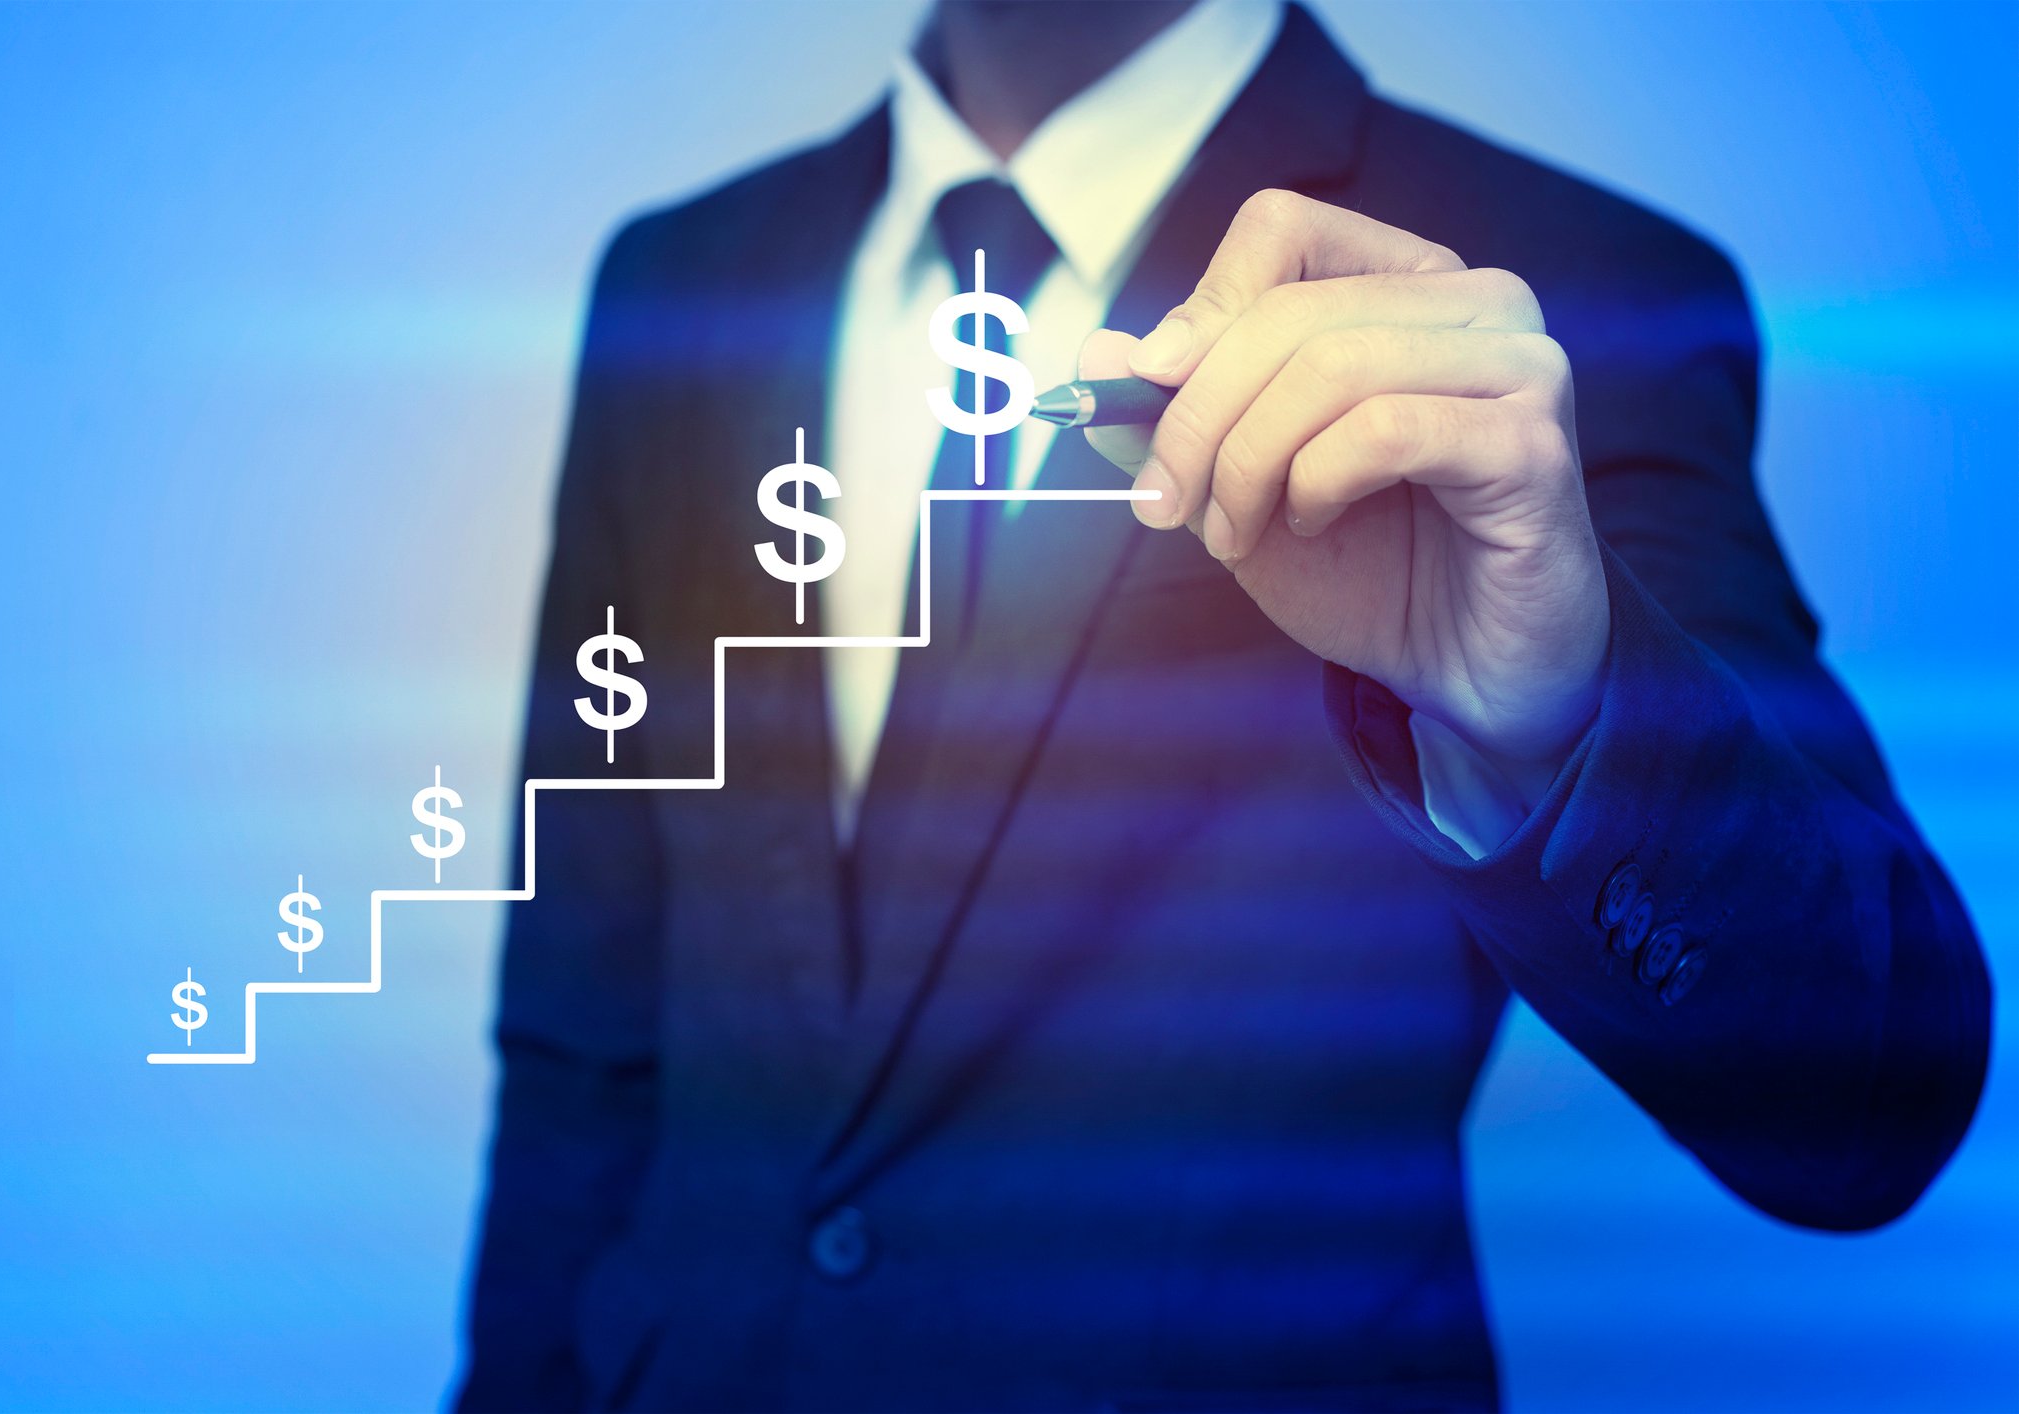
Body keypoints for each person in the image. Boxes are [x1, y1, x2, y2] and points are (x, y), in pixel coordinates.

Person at [458, 3, 1990, 1409]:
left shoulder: (1565, 293)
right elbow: (584, 1020)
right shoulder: (675, 284)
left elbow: (1868, 1092)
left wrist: (1549, 713)